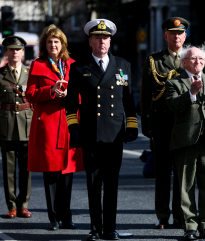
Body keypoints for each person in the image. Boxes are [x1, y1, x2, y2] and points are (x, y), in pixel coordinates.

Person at [65, 19, 138, 241]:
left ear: (110, 41)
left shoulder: (123, 65)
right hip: (91, 134)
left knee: (112, 183)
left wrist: (132, 126)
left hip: (114, 135)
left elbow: (129, 101)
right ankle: (95, 229)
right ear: (90, 41)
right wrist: (74, 129)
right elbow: (71, 103)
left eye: (105, 37)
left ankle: (110, 229)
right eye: (97, 37)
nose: (102, 41)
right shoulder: (79, 68)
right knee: (94, 183)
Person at [166, 45, 205, 240]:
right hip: (186, 140)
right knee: (186, 186)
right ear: (184, 62)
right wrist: (191, 94)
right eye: (193, 59)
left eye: (201, 59)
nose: (198, 62)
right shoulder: (175, 82)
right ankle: (190, 227)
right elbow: (171, 105)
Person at [26, 25, 84, 231]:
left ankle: (66, 216)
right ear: (45, 45)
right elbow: (30, 94)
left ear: (63, 45)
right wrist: (51, 90)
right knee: (51, 173)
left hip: (68, 122)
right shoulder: (38, 64)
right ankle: (54, 218)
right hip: (48, 124)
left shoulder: (72, 65)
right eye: (49, 42)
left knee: (67, 172)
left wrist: (68, 95)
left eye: (56, 42)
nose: (53, 45)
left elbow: (81, 94)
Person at [140, 17, 189, 229]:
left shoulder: (191, 58)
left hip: (185, 124)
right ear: (165, 36)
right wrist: (147, 123)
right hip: (161, 122)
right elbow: (145, 94)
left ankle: (181, 215)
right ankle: (163, 215)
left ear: (185, 36)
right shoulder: (154, 60)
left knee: (182, 172)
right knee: (162, 172)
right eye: (172, 33)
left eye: (180, 33)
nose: (176, 37)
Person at [0, 36, 33, 219]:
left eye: (18, 49)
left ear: (23, 52)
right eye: (11, 49)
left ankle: (24, 205)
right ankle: (12, 206)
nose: (15, 53)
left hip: (27, 126)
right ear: (6, 52)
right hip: (5, 127)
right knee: (8, 170)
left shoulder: (31, 73)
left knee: (26, 169)